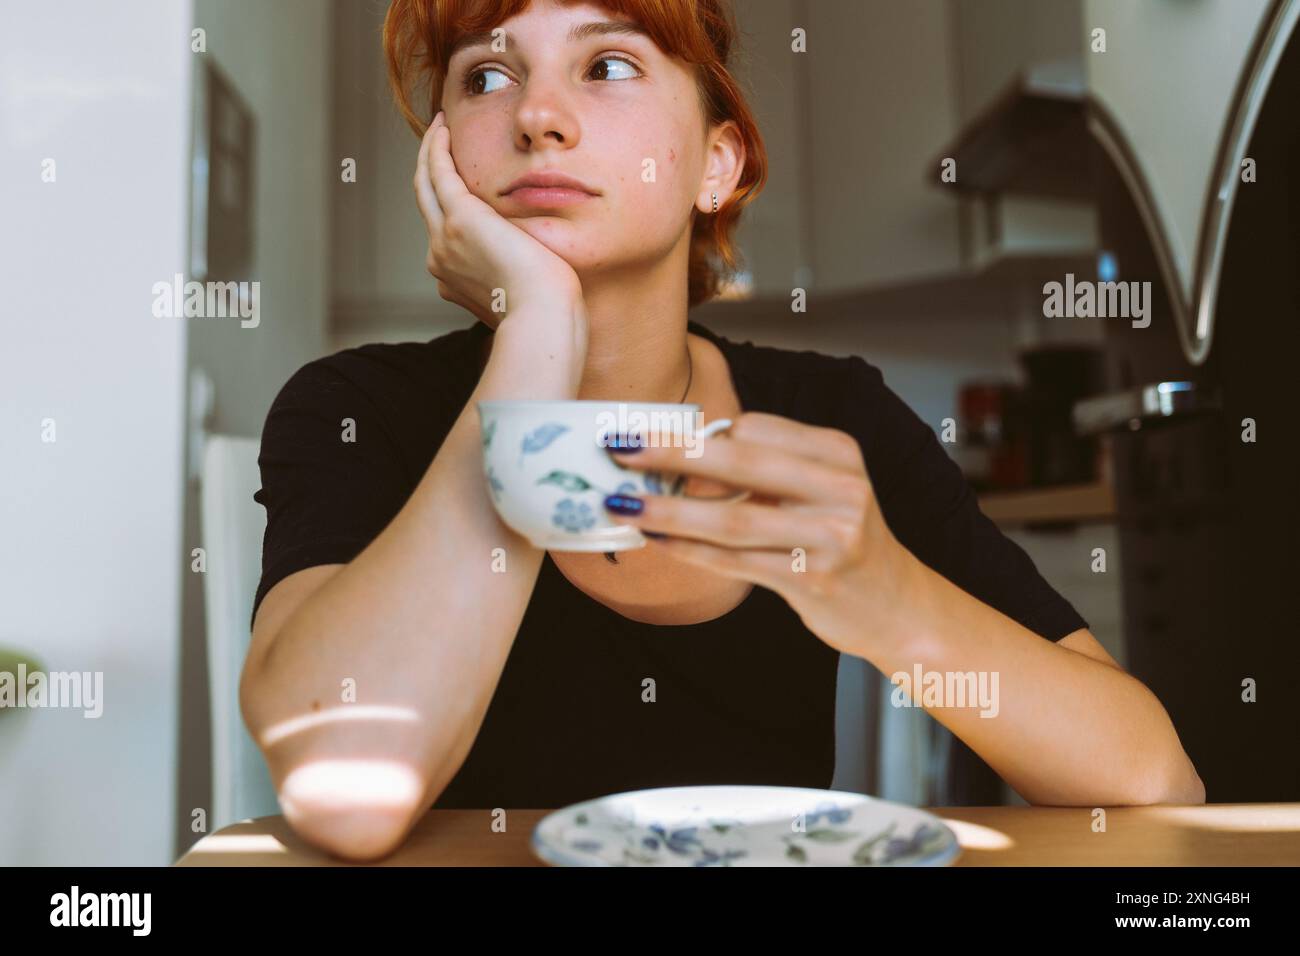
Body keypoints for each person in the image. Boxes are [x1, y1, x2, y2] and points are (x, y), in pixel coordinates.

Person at [239, 0, 1204, 863]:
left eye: (608, 64)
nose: (535, 115)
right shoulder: (355, 412)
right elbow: (347, 797)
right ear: (446, 158)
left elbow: (1156, 782)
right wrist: (535, 325)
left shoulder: (838, 417)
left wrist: (886, 594)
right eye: (488, 76)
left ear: (716, 162)